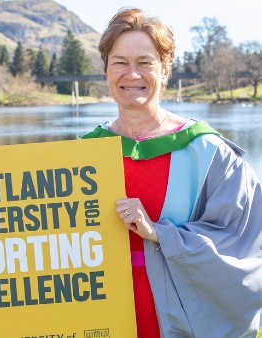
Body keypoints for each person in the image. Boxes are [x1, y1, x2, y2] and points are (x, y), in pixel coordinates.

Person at [82, 8, 262, 338]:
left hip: (180, 321)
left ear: (165, 70)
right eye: (119, 62)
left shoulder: (209, 153)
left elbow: (246, 246)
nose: (131, 74)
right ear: (106, 70)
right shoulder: (81, 154)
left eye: (145, 62)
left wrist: (158, 233)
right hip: (101, 318)